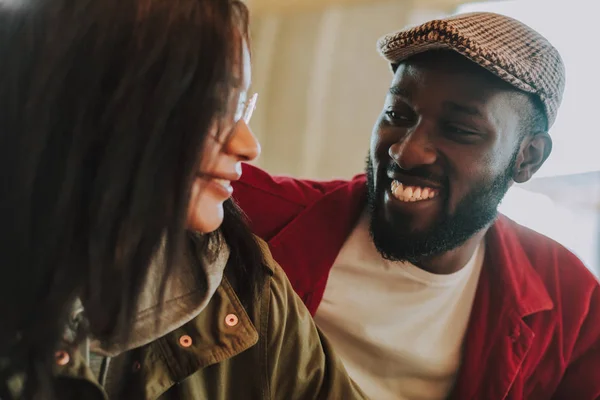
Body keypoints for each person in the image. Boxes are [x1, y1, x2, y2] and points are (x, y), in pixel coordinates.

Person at [0, 0, 367, 399]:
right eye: (214, 106)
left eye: (242, 106)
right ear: (85, 101)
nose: (248, 145)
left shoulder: (250, 289)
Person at [232, 12, 600, 400]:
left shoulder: (572, 304)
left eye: (458, 130)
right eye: (398, 115)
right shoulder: (251, 215)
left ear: (527, 158)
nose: (406, 153)